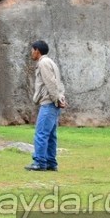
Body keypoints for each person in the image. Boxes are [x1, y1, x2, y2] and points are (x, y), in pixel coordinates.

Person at [26, 40, 67, 171]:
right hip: (53, 103)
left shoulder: (43, 63)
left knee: (41, 133)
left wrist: (56, 99)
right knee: (50, 135)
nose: (31, 53)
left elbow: (50, 83)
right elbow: (58, 83)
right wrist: (60, 98)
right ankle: (51, 162)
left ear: (37, 50)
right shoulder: (51, 62)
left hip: (49, 103)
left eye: (32, 50)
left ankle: (39, 162)